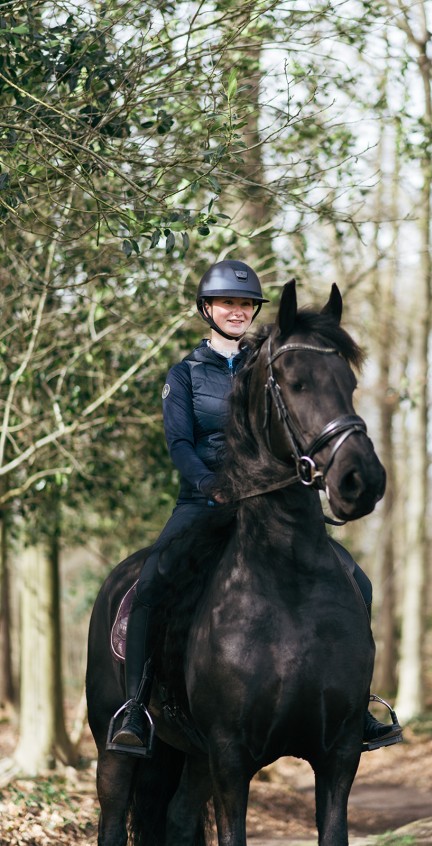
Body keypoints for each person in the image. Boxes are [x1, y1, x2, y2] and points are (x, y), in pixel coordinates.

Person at [108, 259, 402, 756]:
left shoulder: (272, 365)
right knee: (154, 579)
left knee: (358, 582)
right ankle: (135, 705)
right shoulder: (184, 375)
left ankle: (356, 707)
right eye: (228, 303)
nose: (238, 311)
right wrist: (208, 481)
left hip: (270, 505)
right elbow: (179, 443)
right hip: (205, 500)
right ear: (208, 309)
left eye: (246, 304)